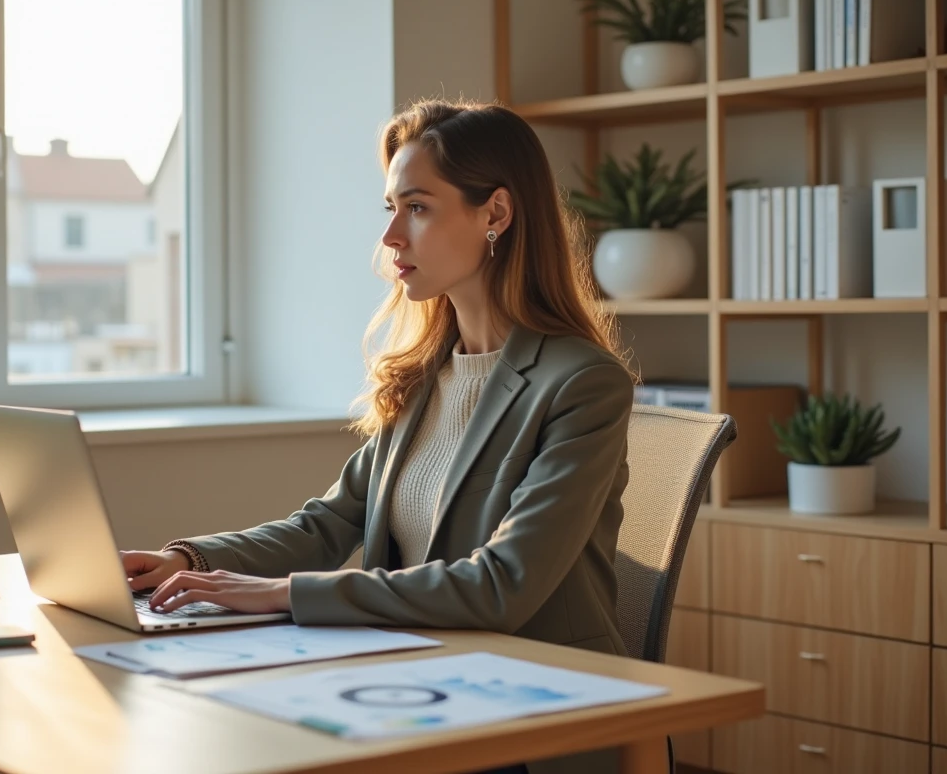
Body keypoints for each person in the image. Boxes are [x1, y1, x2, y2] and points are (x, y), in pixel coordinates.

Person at [120, 98, 634, 774]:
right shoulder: (424, 377)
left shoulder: (581, 384)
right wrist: (187, 560)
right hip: (419, 688)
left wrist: (282, 592)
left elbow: (501, 587)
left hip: (534, 719)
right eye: (390, 208)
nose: (392, 237)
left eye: (417, 208)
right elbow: (329, 523)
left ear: (496, 215)